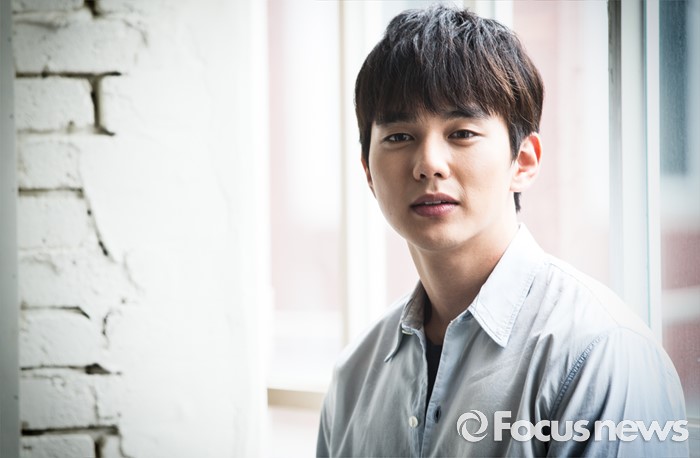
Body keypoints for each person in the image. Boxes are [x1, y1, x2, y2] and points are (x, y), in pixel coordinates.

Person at [316, 4, 689, 457]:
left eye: (462, 133)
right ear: (368, 173)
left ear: (523, 161)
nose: (429, 164)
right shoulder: (354, 376)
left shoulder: (599, 352)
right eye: (399, 137)